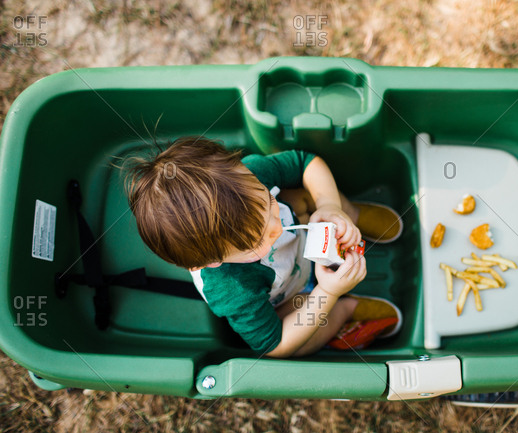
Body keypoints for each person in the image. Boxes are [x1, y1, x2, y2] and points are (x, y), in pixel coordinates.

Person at [123, 136, 403, 357]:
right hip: (287, 297)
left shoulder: (250, 175)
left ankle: (351, 214)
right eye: (255, 240)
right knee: (298, 340)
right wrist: (327, 293)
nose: (276, 227)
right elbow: (273, 346)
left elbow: (306, 162)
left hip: (306, 233)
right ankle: (347, 310)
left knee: (304, 196)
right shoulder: (232, 290)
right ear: (211, 261)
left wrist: (331, 207)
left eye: (268, 204)